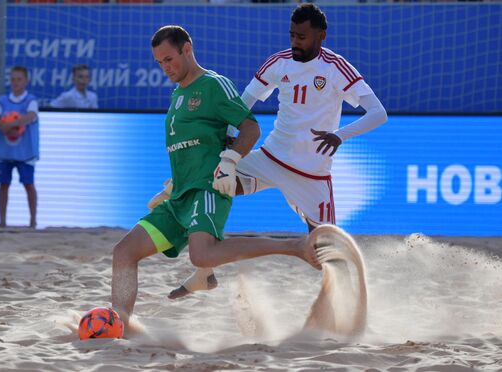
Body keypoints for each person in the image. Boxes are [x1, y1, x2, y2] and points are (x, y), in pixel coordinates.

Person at [161, 3, 388, 299]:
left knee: (327, 254)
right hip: (270, 158)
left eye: (302, 36)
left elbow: (378, 113)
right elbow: (246, 100)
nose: (295, 42)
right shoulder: (279, 62)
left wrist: (340, 135)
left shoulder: (335, 68)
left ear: (321, 35)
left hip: (312, 175)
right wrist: (230, 137)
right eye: (292, 35)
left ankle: (343, 309)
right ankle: (205, 270)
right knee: (212, 182)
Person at [111, 25, 326, 329]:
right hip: (181, 196)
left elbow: (250, 127)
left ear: (187, 49)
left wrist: (230, 160)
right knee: (123, 252)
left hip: (208, 189)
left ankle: (295, 246)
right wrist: (173, 186)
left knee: (202, 254)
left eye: (169, 59)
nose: (165, 68)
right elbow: (188, 147)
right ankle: (118, 323)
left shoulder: (214, 85)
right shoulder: (177, 93)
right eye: (159, 63)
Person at [0, 65, 40, 228]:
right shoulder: (2, 100)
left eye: (19, 79)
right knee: (3, 185)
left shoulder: (31, 101)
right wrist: (1, 125)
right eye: (12, 79)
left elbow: (31, 116)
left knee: (28, 184)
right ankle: (2, 222)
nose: (15, 82)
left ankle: (33, 221)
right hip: (5, 152)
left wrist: (11, 124)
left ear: (26, 81)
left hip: (25, 153)